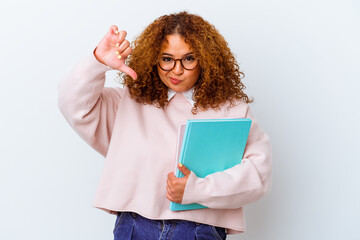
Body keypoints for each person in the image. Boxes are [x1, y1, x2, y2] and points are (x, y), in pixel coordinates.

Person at [58, 11, 272, 240]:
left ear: (206, 59)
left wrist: (197, 189)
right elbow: (72, 104)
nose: (177, 70)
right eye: (167, 59)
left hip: (199, 230)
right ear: (154, 59)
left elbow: (258, 174)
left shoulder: (231, 109)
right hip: (135, 227)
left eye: (189, 58)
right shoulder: (128, 102)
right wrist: (97, 62)